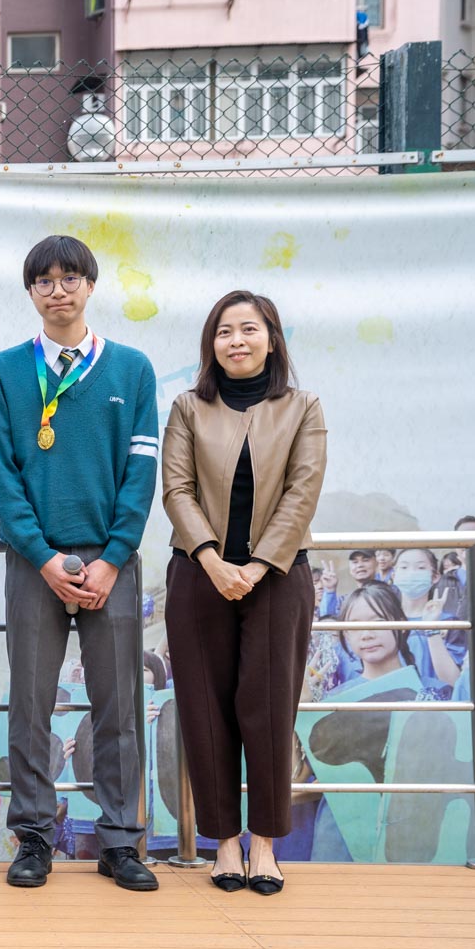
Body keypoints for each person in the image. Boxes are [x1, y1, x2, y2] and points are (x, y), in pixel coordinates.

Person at [0, 235, 160, 892]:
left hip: (112, 564)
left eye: (70, 278)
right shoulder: (4, 371)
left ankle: (120, 840)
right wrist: (43, 557)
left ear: (91, 285)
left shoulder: (131, 369)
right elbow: (2, 476)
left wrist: (113, 558)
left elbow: (142, 469)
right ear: (31, 292)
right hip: (36, 565)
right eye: (44, 281)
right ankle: (33, 836)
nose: (58, 290)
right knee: (30, 704)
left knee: (118, 707)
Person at [161, 289, 326, 898]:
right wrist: (210, 558)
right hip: (197, 575)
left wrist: (254, 568)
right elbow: (176, 490)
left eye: (249, 329)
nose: (236, 340)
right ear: (212, 344)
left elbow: (303, 491)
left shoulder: (303, 407)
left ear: (272, 339)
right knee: (205, 710)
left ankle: (265, 845)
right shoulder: (187, 407)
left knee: (269, 708)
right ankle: (224, 843)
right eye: (224, 331)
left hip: (278, 578)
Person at [390, 547, 465, 686]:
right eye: (404, 567)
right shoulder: (385, 622)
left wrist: (432, 629)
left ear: (435, 576)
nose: (411, 573)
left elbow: (454, 681)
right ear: (394, 576)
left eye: (420, 567)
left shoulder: (448, 622)